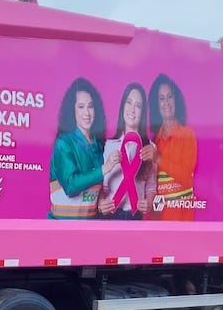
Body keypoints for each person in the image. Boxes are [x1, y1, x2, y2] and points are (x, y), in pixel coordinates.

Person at [49, 77, 118, 219]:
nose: (87, 113)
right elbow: (70, 186)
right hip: (62, 230)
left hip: (89, 230)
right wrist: (104, 168)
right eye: (81, 107)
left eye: (90, 106)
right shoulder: (64, 143)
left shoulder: (99, 146)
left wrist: (101, 203)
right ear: (72, 110)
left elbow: (96, 191)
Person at [98, 83, 157, 219]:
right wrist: (101, 203)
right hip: (109, 217)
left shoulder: (150, 148)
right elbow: (100, 185)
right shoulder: (108, 146)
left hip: (134, 216)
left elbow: (151, 188)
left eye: (138, 106)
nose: (132, 109)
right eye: (129, 102)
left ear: (142, 112)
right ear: (123, 106)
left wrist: (148, 202)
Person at [148, 73, 196, 221]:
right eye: (161, 98)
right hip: (157, 221)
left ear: (176, 100)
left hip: (181, 222)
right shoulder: (153, 140)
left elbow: (187, 178)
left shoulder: (187, 134)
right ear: (156, 105)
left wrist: (159, 159)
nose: (166, 102)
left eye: (170, 97)